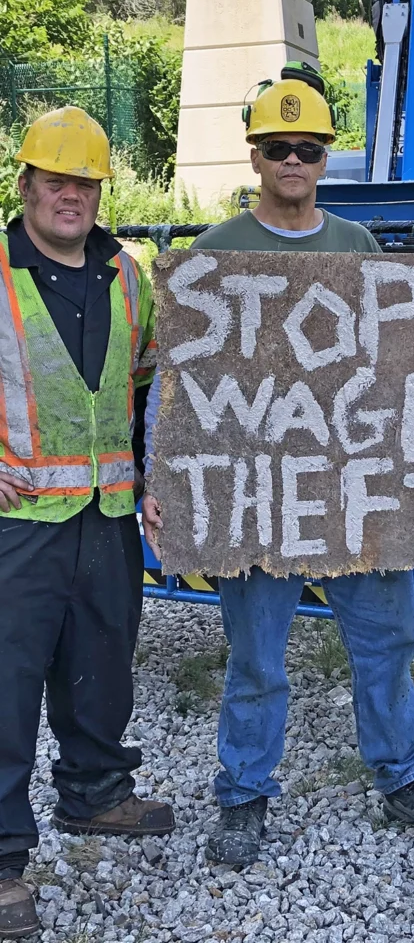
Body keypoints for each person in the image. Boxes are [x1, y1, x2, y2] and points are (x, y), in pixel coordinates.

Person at [143, 63, 414, 870]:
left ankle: (406, 774)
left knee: (390, 638)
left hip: (351, 490)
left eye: (307, 147)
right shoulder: (214, 253)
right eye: (276, 147)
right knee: (256, 659)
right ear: (254, 158)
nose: (292, 160)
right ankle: (244, 792)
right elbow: (179, 387)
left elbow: (390, 361)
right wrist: (163, 479)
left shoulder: (357, 245)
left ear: (325, 157)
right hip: (258, 499)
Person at [0, 106, 174, 937]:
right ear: (26, 183)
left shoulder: (129, 276)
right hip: (17, 524)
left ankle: (96, 794)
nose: (71, 196)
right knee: (4, 689)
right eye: (56, 179)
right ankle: (1, 860)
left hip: (107, 515)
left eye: (86, 183)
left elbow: (147, 385)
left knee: (101, 667)